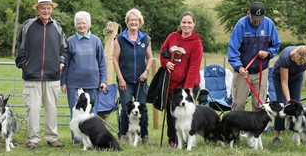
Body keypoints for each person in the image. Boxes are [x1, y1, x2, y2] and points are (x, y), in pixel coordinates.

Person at [16, 0, 68, 150]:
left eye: (48, 8)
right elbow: (21, 47)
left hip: (52, 76)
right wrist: (24, 65)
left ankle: (52, 138)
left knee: (51, 108)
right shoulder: (28, 25)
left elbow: (64, 49)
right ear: (37, 9)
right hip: (32, 76)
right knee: (32, 109)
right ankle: (33, 139)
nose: (46, 10)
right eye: (43, 8)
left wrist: (61, 61)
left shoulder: (57, 27)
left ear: (52, 9)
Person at [61, 11, 107, 145]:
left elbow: (102, 62)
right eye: (78, 23)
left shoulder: (96, 40)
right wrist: (63, 82)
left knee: (92, 114)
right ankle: (77, 139)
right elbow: (66, 63)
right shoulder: (70, 41)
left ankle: (93, 139)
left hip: (93, 83)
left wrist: (103, 80)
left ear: (88, 24)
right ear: (75, 25)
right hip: (74, 84)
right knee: (75, 113)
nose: (81, 25)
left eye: (83, 23)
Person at [160, 11, 204, 148]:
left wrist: (188, 88)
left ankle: (187, 140)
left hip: (187, 85)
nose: (186, 25)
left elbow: (194, 66)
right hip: (172, 85)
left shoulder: (196, 43)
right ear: (180, 23)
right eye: (184, 22)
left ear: (194, 24)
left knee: (186, 114)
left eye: (189, 22)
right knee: (172, 112)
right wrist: (166, 62)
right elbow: (163, 51)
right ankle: (173, 140)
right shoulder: (172, 37)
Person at [227, 1, 281, 111]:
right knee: (239, 103)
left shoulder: (269, 24)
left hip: (261, 71)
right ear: (248, 14)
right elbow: (233, 49)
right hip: (243, 72)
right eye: (254, 18)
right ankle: (236, 128)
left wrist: (268, 53)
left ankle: (257, 128)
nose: (257, 22)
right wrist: (238, 67)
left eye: (260, 19)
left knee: (259, 104)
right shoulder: (241, 25)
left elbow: (276, 44)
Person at [114, 9, 154, 144]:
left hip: (141, 81)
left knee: (143, 108)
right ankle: (123, 135)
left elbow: (150, 58)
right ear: (127, 21)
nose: (133, 22)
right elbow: (114, 59)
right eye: (131, 19)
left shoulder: (145, 38)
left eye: (136, 20)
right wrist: (120, 78)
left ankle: (145, 135)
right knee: (125, 109)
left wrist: (146, 71)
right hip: (125, 80)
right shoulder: (119, 38)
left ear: (140, 22)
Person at [271, 45, 306, 144]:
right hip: (279, 77)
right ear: (295, 54)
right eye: (295, 60)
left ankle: (296, 134)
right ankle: (277, 136)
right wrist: (289, 101)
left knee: (297, 106)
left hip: (297, 78)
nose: (296, 62)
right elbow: (284, 83)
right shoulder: (286, 57)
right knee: (282, 104)